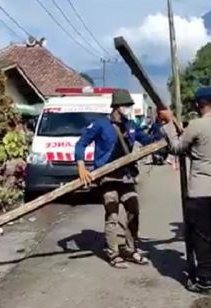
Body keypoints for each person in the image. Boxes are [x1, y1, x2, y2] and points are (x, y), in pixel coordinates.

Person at [158, 87, 211, 294]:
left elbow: (177, 147)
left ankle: (205, 280)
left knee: (200, 237)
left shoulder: (196, 125)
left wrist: (167, 123)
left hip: (201, 191)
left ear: (198, 104)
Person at [75, 89, 151, 269]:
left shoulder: (131, 125)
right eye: (126, 105)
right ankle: (113, 253)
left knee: (134, 209)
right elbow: (81, 143)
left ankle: (131, 249)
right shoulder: (101, 124)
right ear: (116, 107)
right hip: (107, 176)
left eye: (129, 105)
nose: (128, 108)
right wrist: (81, 166)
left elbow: (148, 139)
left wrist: (165, 131)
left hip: (126, 176)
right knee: (112, 213)